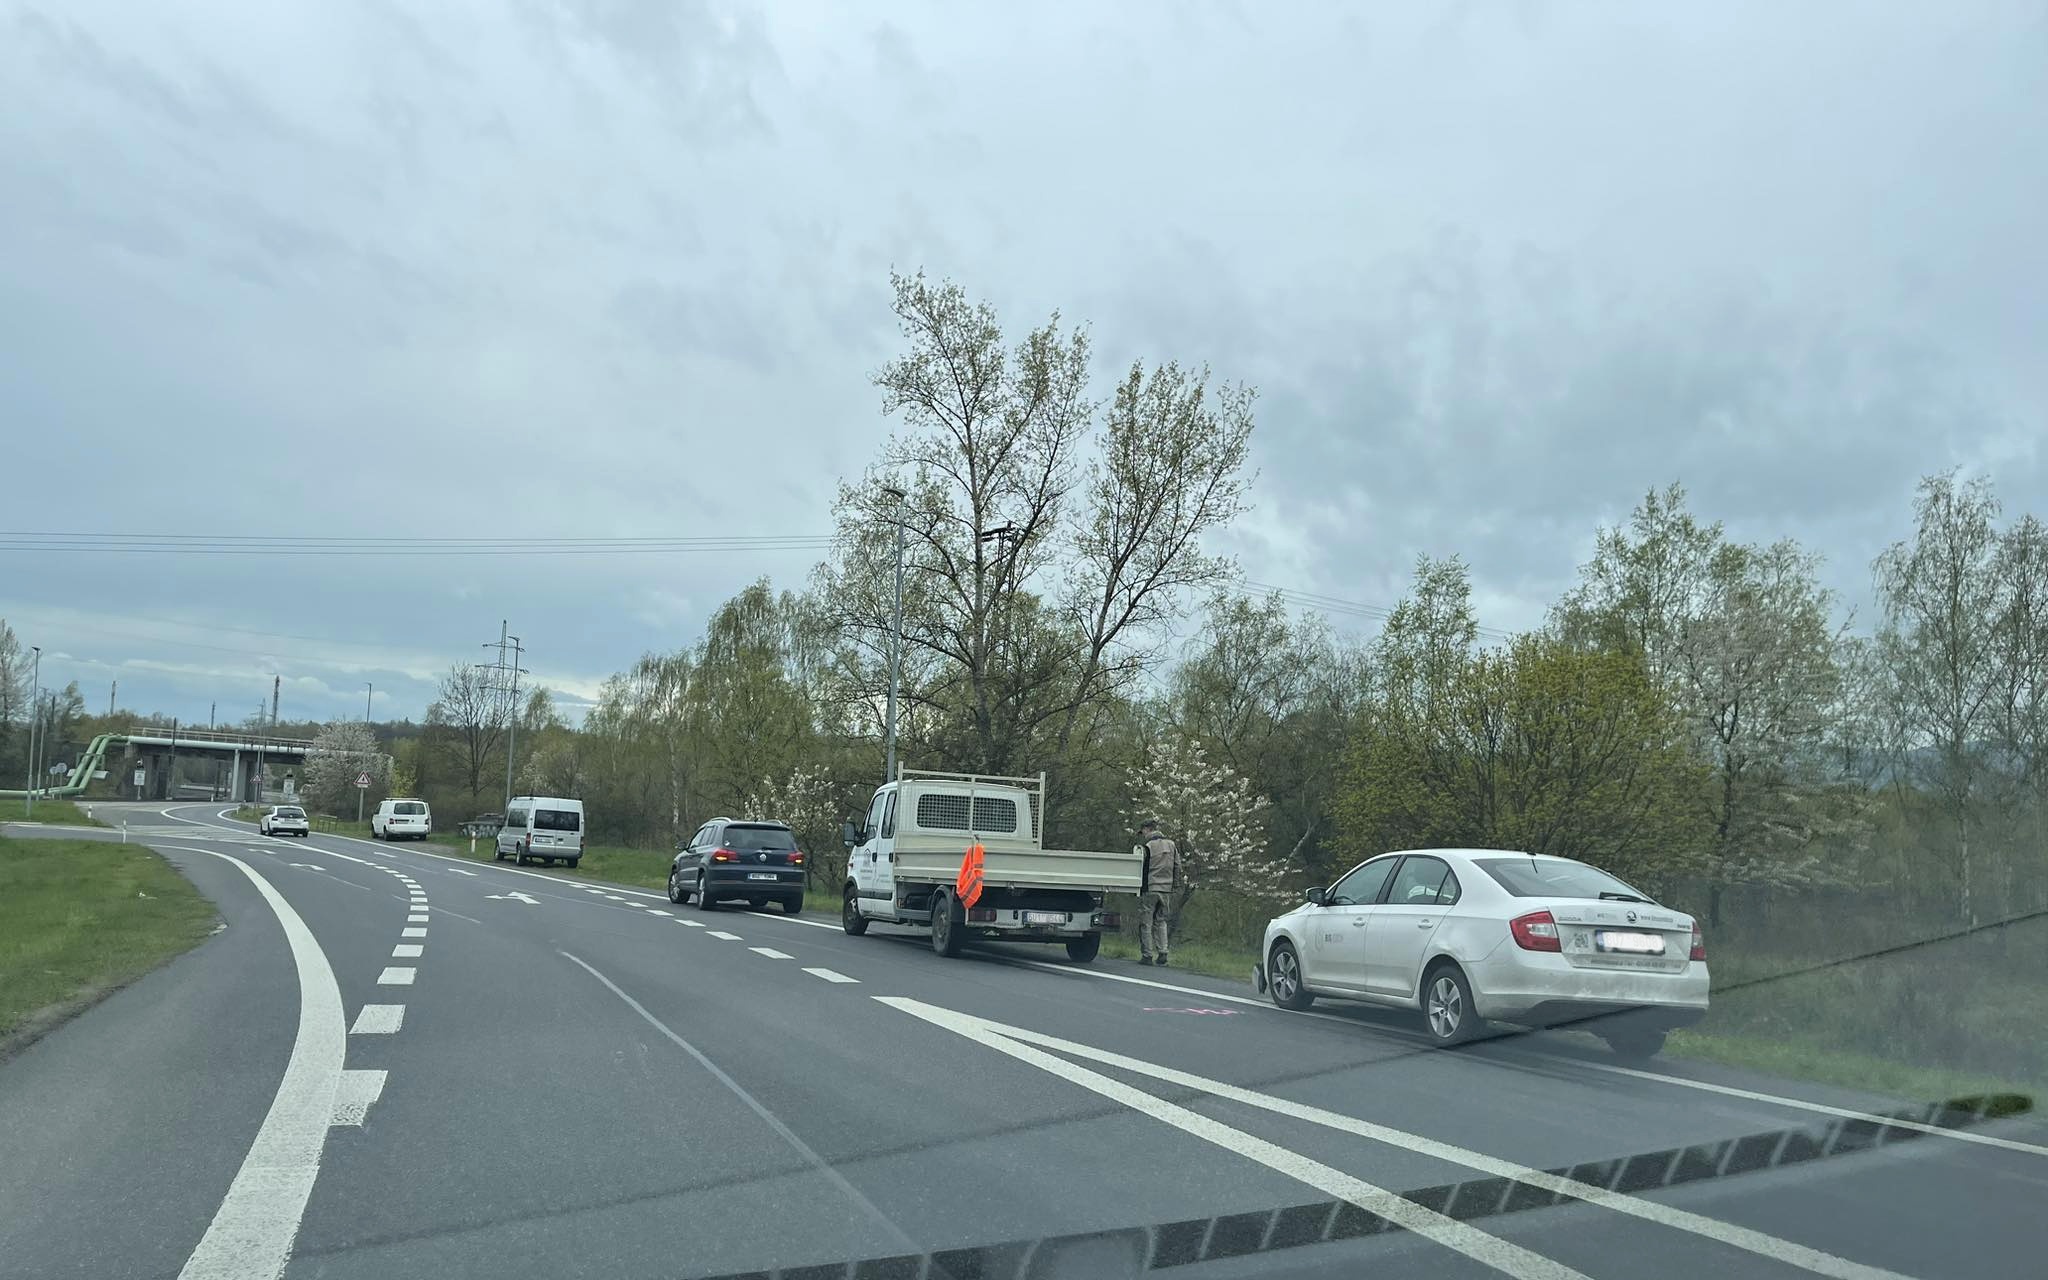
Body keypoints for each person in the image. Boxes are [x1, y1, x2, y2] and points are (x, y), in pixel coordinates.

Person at [1136, 819, 1179, 966]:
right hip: (1166, 889)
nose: (1143, 835)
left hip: (1151, 887)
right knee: (1161, 921)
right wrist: (1174, 885)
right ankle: (1163, 953)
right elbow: (1177, 866)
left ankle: (1147, 955)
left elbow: (1141, 868)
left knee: (1146, 922)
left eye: (1143, 832)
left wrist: (1139, 888)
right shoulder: (1171, 845)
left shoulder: (1147, 846)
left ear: (1147, 829)